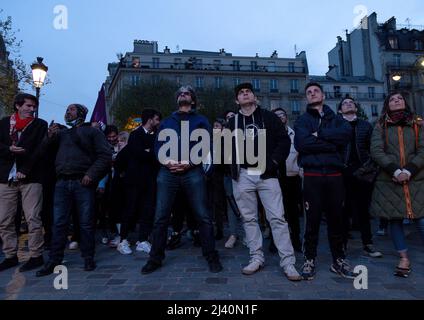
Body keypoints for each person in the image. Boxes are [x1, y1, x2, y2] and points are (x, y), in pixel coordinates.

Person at [141, 85, 222, 274]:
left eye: (187, 93)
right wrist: (168, 162)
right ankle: (155, 258)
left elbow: (207, 146)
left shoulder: (201, 120)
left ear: (192, 100)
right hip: (168, 171)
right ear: (177, 99)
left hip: (192, 171)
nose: (183, 95)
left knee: (203, 215)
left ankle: (211, 255)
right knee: (161, 216)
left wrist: (190, 162)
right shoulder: (167, 121)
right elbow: (158, 146)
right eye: (180, 93)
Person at [227, 83, 301, 281]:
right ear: (237, 100)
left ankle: (288, 262)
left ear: (254, 97)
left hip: (267, 174)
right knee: (249, 219)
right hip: (242, 175)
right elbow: (222, 149)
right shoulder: (232, 122)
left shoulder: (268, 117)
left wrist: (273, 163)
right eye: (241, 93)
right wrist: (233, 170)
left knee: (277, 218)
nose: (245, 94)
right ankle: (256, 257)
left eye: (248, 91)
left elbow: (284, 141)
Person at [36, 103, 111, 276]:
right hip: (62, 183)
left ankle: (88, 257)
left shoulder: (92, 132)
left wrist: (91, 174)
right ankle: (54, 260)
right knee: (59, 223)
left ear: (81, 113)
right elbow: (42, 152)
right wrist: (49, 136)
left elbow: (105, 155)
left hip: (82, 182)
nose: (67, 112)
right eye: (67, 109)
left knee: (85, 223)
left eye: (71, 109)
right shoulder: (61, 134)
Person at [294, 82, 358, 280]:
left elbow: (345, 136)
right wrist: (329, 142)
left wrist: (319, 135)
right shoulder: (302, 120)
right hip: (312, 175)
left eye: (316, 91)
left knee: (336, 221)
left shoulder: (337, 119)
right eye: (309, 92)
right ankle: (309, 259)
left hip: (334, 175)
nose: (312, 94)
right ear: (306, 98)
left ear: (323, 95)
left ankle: (338, 260)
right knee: (311, 221)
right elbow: (302, 144)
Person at [370, 91, 424, 278]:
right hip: (389, 181)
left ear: (405, 102)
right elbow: (376, 151)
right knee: (395, 220)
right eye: (392, 99)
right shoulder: (380, 126)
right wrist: (395, 170)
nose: (396, 101)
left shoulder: (417, 124)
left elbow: (423, 149)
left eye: (399, 98)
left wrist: (409, 170)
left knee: (422, 219)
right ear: (387, 104)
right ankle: (404, 258)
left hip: (416, 179)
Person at [0, 93, 47, 272]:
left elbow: (39, 150)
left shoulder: (39, 125)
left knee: (33, 218)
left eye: (34, 107)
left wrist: (25, 170)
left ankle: (36, 255)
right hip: (5, 178)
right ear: (18, 106)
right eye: (28, 106)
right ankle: (10, 256)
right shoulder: (4, 123)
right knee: (4, 220)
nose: (31, 110)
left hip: (31, 177)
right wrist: (9, 149)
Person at [337, 96, 382, 258]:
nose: (348, 104)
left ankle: (367, 244)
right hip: (343, 172)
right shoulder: (336, 125)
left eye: (351, 103)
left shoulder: (365, 125)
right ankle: (342, 245)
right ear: (340, 110)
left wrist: (369, 168)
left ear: (356, 108)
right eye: (345, 103)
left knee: (363, 210)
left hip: (363, 172)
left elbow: (373, 149)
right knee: (344, 209)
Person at [117, 109, 161, 255]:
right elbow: (137, 153)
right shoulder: (135, 134)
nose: (158, 122)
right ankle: (123, 239)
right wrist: (148, 152)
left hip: (150, 180)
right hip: (134, 180)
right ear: (149, 120)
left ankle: (142, 239)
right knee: (130, 208)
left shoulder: (157, 135)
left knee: (148, 210)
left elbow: (156, 154)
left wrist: (148, 152)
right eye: (156, 119)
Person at [272, 107, 303, 253]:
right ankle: (274, 241)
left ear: (286, 117)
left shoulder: (295, 135)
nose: (279, 117)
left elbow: (301, 155)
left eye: (282, 114)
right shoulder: (269, 136)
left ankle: (296, 240)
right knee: (276, 212)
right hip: (274, 179)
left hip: (292, 178)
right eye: (276, 115)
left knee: (293, 212)